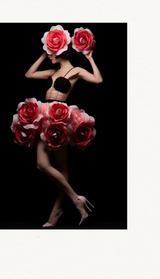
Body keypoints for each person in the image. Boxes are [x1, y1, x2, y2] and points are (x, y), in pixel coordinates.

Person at [11, 25, 103, 227]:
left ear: (62, 51)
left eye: (52, 52)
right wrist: (44, 55)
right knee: (43, 165)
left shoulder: (76, 70)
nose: (49, 55)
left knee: (60, 166)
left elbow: (98, 79)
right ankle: (76, 199)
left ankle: (57, 211)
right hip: (45, 115)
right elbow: (29, 74)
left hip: (61, 117)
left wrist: (89, 59)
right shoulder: (52, 71)